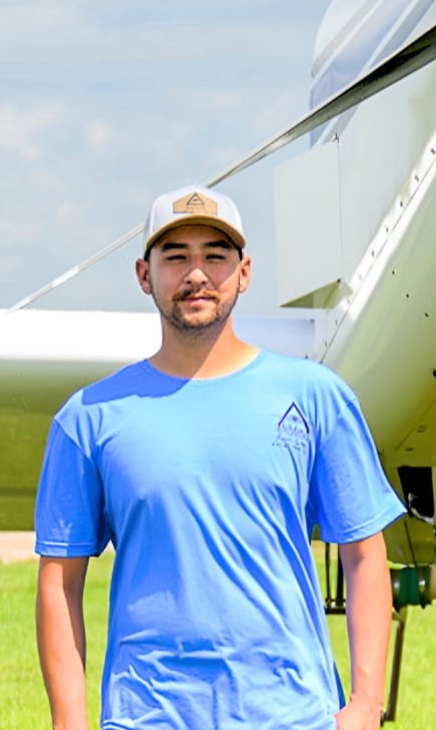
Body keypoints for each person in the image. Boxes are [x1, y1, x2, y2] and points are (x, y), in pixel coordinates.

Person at [34, 185, 407, 730]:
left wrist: (366, 705)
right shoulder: (89, 417)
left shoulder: (315, 396)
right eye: (175, 257)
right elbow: (59, 583)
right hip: (149, 716)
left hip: (293, 715)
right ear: (143, 275)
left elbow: (365, 554)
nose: (197, 274)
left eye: (215, 256)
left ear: (244, 272)